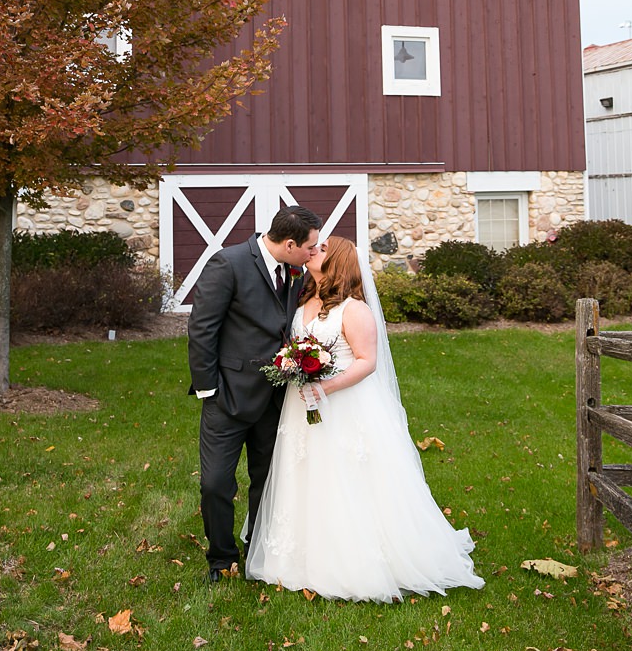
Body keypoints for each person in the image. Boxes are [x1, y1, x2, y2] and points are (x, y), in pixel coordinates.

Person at [245, 235, 485, 600]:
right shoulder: (305, 298)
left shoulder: (354, 309)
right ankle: (299, 555)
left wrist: (325, 387)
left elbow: (367, 362)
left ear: (338, 261)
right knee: (306, 471)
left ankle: (350, 558)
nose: (313, 250)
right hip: (301, 403)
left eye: (322, 249)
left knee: (343, 475)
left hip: (342, 404)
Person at [187, 205, 323, 582]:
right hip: (227, 397)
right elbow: (202, 329)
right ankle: (221, 558)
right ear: (290, 244)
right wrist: (208, 389)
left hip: (277, 399)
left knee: (268, 480)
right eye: (310, 247)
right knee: (215, 483)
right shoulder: (227, 263)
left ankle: (258, 553)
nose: (314, 254)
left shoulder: (297, 271)